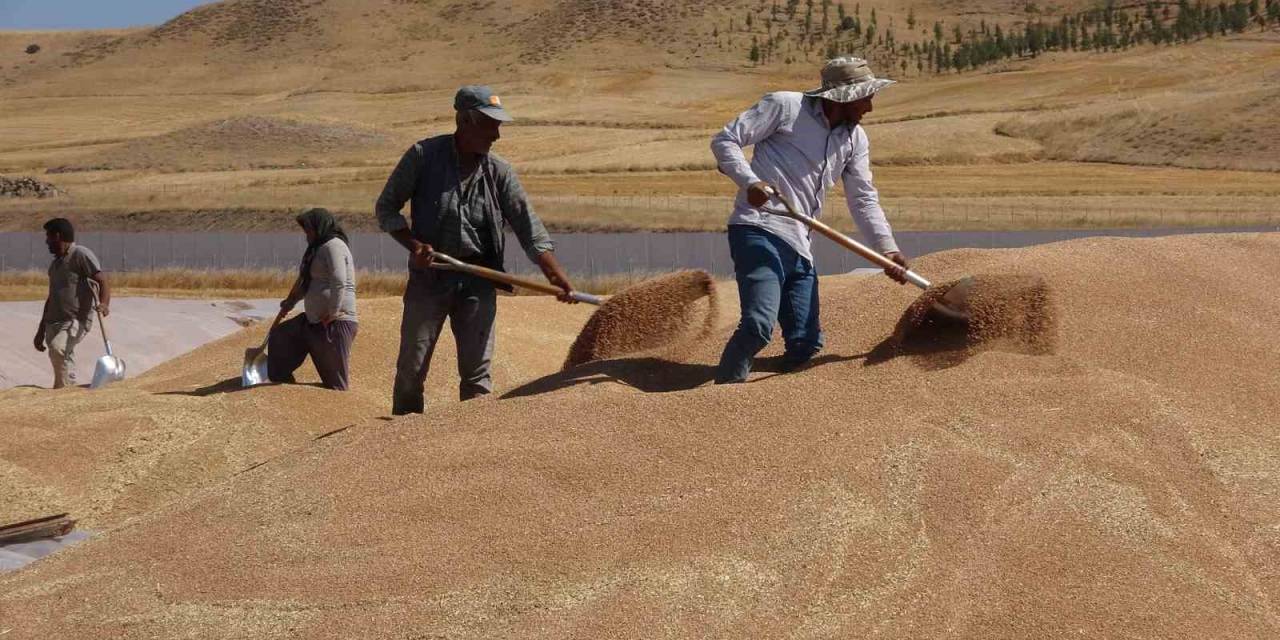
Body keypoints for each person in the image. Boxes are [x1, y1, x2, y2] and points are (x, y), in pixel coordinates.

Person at [375, 85, 580, 415]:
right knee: (411, 372)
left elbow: (529, 228)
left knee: (477, 378)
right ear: (465, 121)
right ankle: (403, 443)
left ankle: (474, 450)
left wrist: (555, 274)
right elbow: (386, 209)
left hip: (478, 282)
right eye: (491, 125)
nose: (497, 135)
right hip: (431, 279)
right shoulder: (423, 157)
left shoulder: (499, 172)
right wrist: (413, 245)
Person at [710, 56, 910, 384]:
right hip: (758, 228)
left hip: (800, 243)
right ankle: (721, 396)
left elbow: (863, 198)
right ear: (843, 96)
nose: (870, 108)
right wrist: (750, 183)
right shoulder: (785, 107)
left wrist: (886, 250)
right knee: (759, 327)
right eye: (866, 97)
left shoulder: (855, 139)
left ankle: (781, 402)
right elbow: (725, 140)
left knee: (806, 343)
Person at [268, 208, 360, 390]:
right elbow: (305, 282)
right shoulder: (316, 249)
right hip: (312, 322)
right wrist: (290, 301)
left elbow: (339, 281)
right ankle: (281, 386)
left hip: (334, 324)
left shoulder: (334, 245)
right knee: (280, 336)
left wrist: (333, 313)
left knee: (336, 386)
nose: (307, 235)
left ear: (321, 227)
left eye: (309, 230)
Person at [32, 218, 110, 389]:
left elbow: (101, 280)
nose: (46, 242)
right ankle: (64, 389)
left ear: (57, 236)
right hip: (53, 322)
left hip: (74, 320)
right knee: (62, 356)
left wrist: (104, 304)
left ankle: (67, 390)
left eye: (48, 237)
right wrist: (40, 330)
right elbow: (51, 298)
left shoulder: (80, 254)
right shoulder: (55, 265)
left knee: (58, 349)